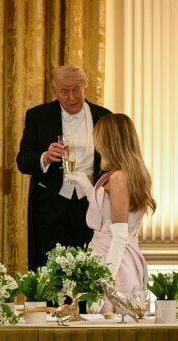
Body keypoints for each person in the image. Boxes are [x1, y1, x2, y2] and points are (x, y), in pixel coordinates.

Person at [16, 65, 111, 270]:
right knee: (49, 269)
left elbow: (113, 161)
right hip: (50, 206)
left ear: (85, 87)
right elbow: (23, 161)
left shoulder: (104, 116)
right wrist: (45, 157)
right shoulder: (38, 116)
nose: (71, 97)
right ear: (54, 92)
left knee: (88, 267)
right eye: (64, 91)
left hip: (91, 204)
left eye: (76, 90)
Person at [66, 114, 154, 298]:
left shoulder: (118, 178)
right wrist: (89, 188)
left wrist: (105, 282)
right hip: (113, 258)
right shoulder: (127, 174)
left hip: (114, 263)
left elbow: (120, 235)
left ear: (108, 142)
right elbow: (108, 214)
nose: (96, 144)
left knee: (107, 321)